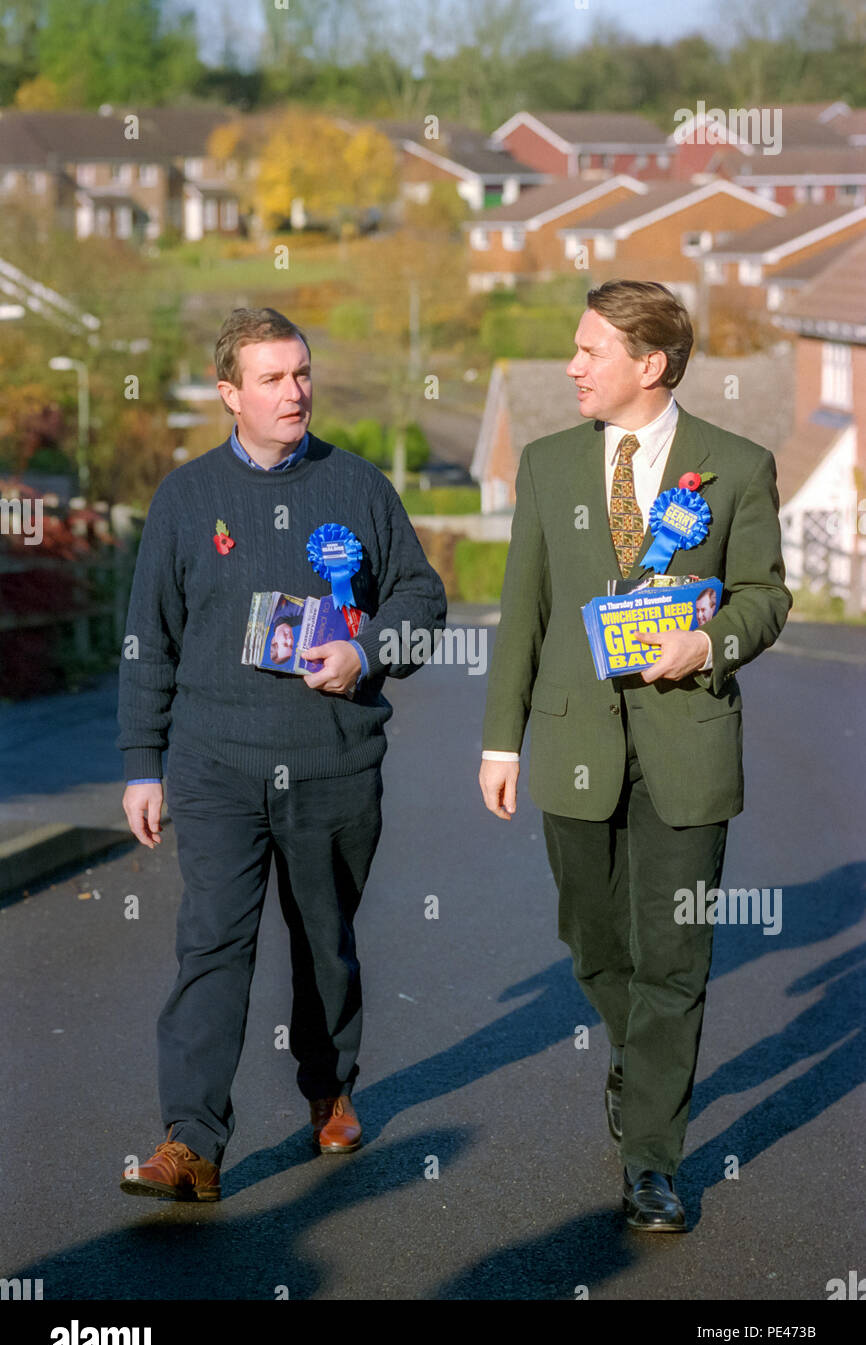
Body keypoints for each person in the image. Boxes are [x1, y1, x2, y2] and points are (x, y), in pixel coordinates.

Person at [479, 280, 790, 1232]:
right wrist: (502, 740)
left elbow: (764, 597)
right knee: (595, 942)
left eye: (589, 351)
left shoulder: (735, 465)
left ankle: (652, 1159)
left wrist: (708, 643)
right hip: (573, 740)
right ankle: (636, 1059)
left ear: (649, 366)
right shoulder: (546, 464)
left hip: (688, 744)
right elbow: (522, 608)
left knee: (676, 960)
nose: (571, 366)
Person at [117, 306, 446, 1201]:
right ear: (230, 394)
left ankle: (328, 1087)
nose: (294, 392)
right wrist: (142, 762)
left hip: (333, 761)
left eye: (301, 373)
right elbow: (151, 635)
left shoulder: (360, 487)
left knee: (324, 942)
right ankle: (191, 1141)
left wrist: (365, 651)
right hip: (217, 763)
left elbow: (421, 598)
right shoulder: (185, 499)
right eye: (271, 378)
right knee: (211, 946)